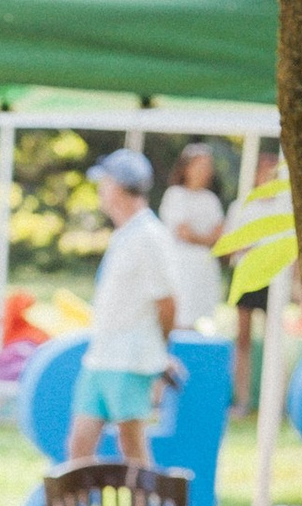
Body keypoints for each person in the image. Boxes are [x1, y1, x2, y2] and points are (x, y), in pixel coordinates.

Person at [67, 146, 179, 467]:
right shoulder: (124, 235)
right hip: (101, 356)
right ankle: (79, 503)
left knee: (132, 447)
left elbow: (167, 302)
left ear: (117, 187)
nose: (101, 192)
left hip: (130, 359)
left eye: (104, 184)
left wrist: (160, 351)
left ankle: (146, 503)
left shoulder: (150, 236)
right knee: (79, 445)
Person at [232, 135, 282, 415]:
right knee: (243, 340)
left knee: (275, 340)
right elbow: (231, 244)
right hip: (249, 277)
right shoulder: (244, 206)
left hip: (274, 278)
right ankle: (241, 399)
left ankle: (274, 401)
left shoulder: (284, 207)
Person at [159, 139, 226, 340]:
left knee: (198, 321)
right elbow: (183, 233)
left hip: (203, 270)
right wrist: (206, 239)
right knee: (180, 318)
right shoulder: (175, 195)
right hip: (180, 268)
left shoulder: (211, 200)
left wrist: (200, 238)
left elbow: (219, 236)